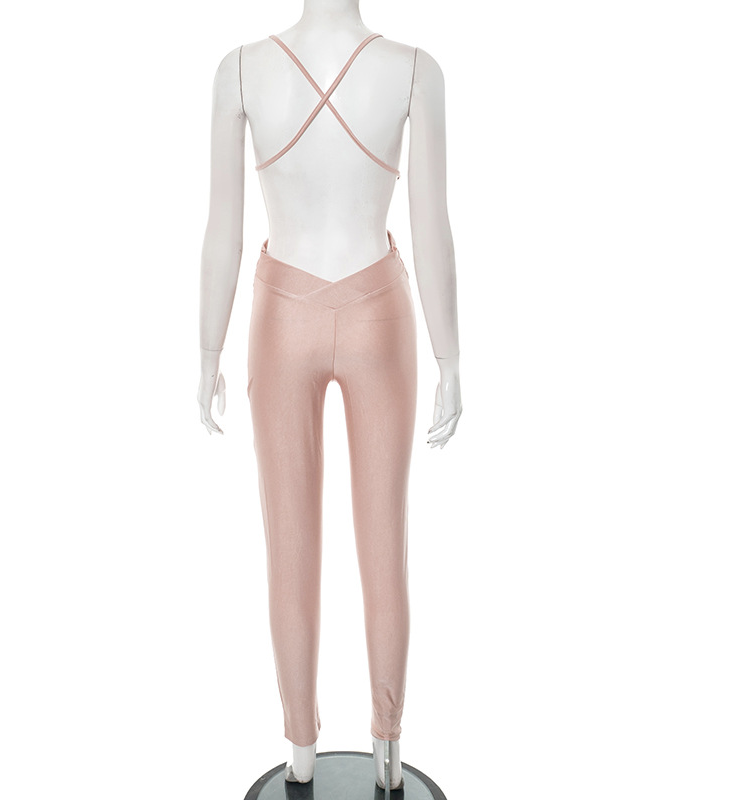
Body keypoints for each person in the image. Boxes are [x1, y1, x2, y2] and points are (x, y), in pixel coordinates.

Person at [198, 0, 461, 788]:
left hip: (282, 319)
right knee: (386, 543)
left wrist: (207, 350)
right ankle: (387, 757)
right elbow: (431, 226)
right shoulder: (414, 70)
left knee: (289, 547)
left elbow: (223, 231)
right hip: (381, 311)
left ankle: (302, 754)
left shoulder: (240, 70)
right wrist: (449, 356)